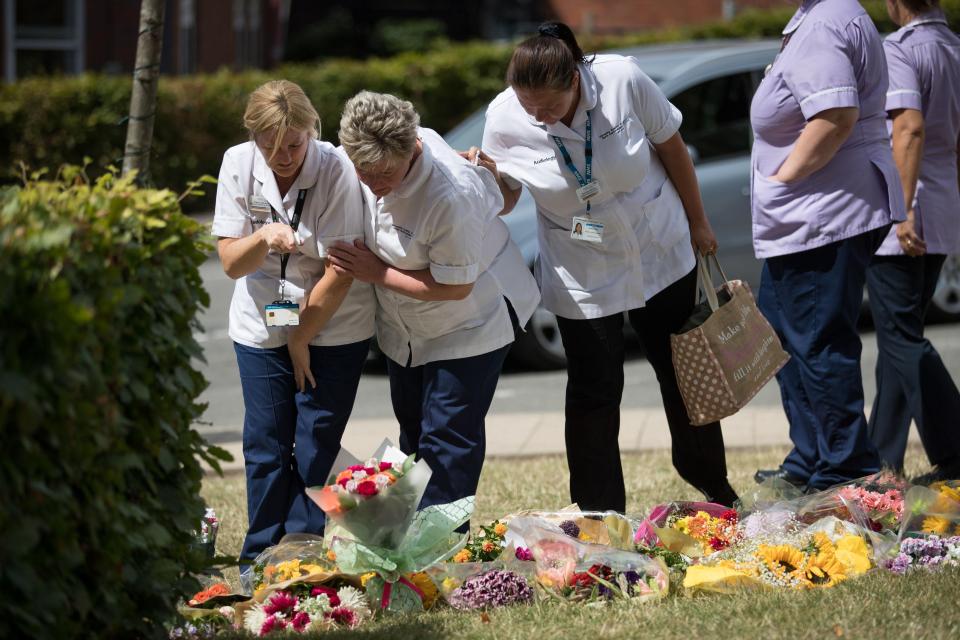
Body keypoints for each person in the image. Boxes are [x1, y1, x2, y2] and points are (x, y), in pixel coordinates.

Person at [477, 22, 739, 510]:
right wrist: (493, 178)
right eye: (529, 107)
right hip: (582, 265)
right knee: (594, 390)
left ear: (575, 79)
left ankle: (714, 486)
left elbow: (672, 147)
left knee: (683, 374)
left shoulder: (622, 79)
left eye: (549, 107)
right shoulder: (506, 117)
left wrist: (699, 222)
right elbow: (510, 196)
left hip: (658, 248)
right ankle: (599, 514)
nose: (539, 118)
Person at [325, 91, 540, 511]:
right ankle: (410, 548)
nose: (372, 184)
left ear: (411, 149)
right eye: (362, 171)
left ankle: (442, 561)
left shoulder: (449, 195)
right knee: (414, 440)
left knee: (446, 444)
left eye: (384, 173)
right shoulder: (372, 152)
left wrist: (376, 272)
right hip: (405, 331)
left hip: (469, 323)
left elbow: (454, 287)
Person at [212, 80, 375, 564]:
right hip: (260, 323)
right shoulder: (236, 164)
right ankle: (259, 554)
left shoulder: (338, 168)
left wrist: (302, 337)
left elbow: (341, 268)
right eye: (270, 146)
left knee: (314, 441)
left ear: (312, 128)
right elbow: (230, 263)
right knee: (265, 442)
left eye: (293, 145)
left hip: (333, 321)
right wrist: (263, 237)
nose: (282, 157)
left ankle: (301, 555)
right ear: (253, 139)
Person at [750, 0, 905, 491]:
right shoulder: (823, 16)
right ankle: (813, 455)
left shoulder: (826, 21)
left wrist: (783, 179)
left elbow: (835, 115)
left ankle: (845, 468)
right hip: (809, 215)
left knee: (816, 341)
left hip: (822, 213)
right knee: (781, 335)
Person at [865, 0, 960, 482]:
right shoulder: (953, 47)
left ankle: (954, 443)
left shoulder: (900, 49)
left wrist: (899, 210)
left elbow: (909, 127)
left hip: (909, 208)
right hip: (941, 204)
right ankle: (883, 460)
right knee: (898, 336)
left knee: (901, 337)